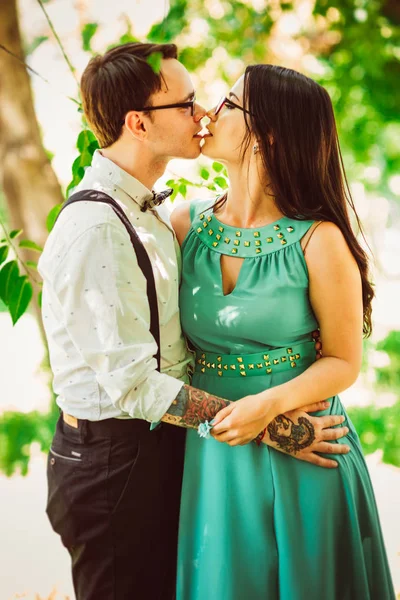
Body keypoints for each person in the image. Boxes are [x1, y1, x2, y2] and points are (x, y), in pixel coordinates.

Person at [38, 44, 349, 600]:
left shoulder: (161, 215)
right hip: (118, 458)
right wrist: (273, 425)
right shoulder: (104, 227)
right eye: (187, 103)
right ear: (139, 122)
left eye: (219, 102)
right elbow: (133, 383)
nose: (203, 112)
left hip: (182, 447)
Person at [171, 65, 396, 600]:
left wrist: (268, 407)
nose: (209, 112)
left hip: (307, 446)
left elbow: (344, 361)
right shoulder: (184, 224)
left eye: (228, 102)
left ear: (266, 132)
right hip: (216, 452)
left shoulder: (320, 241)